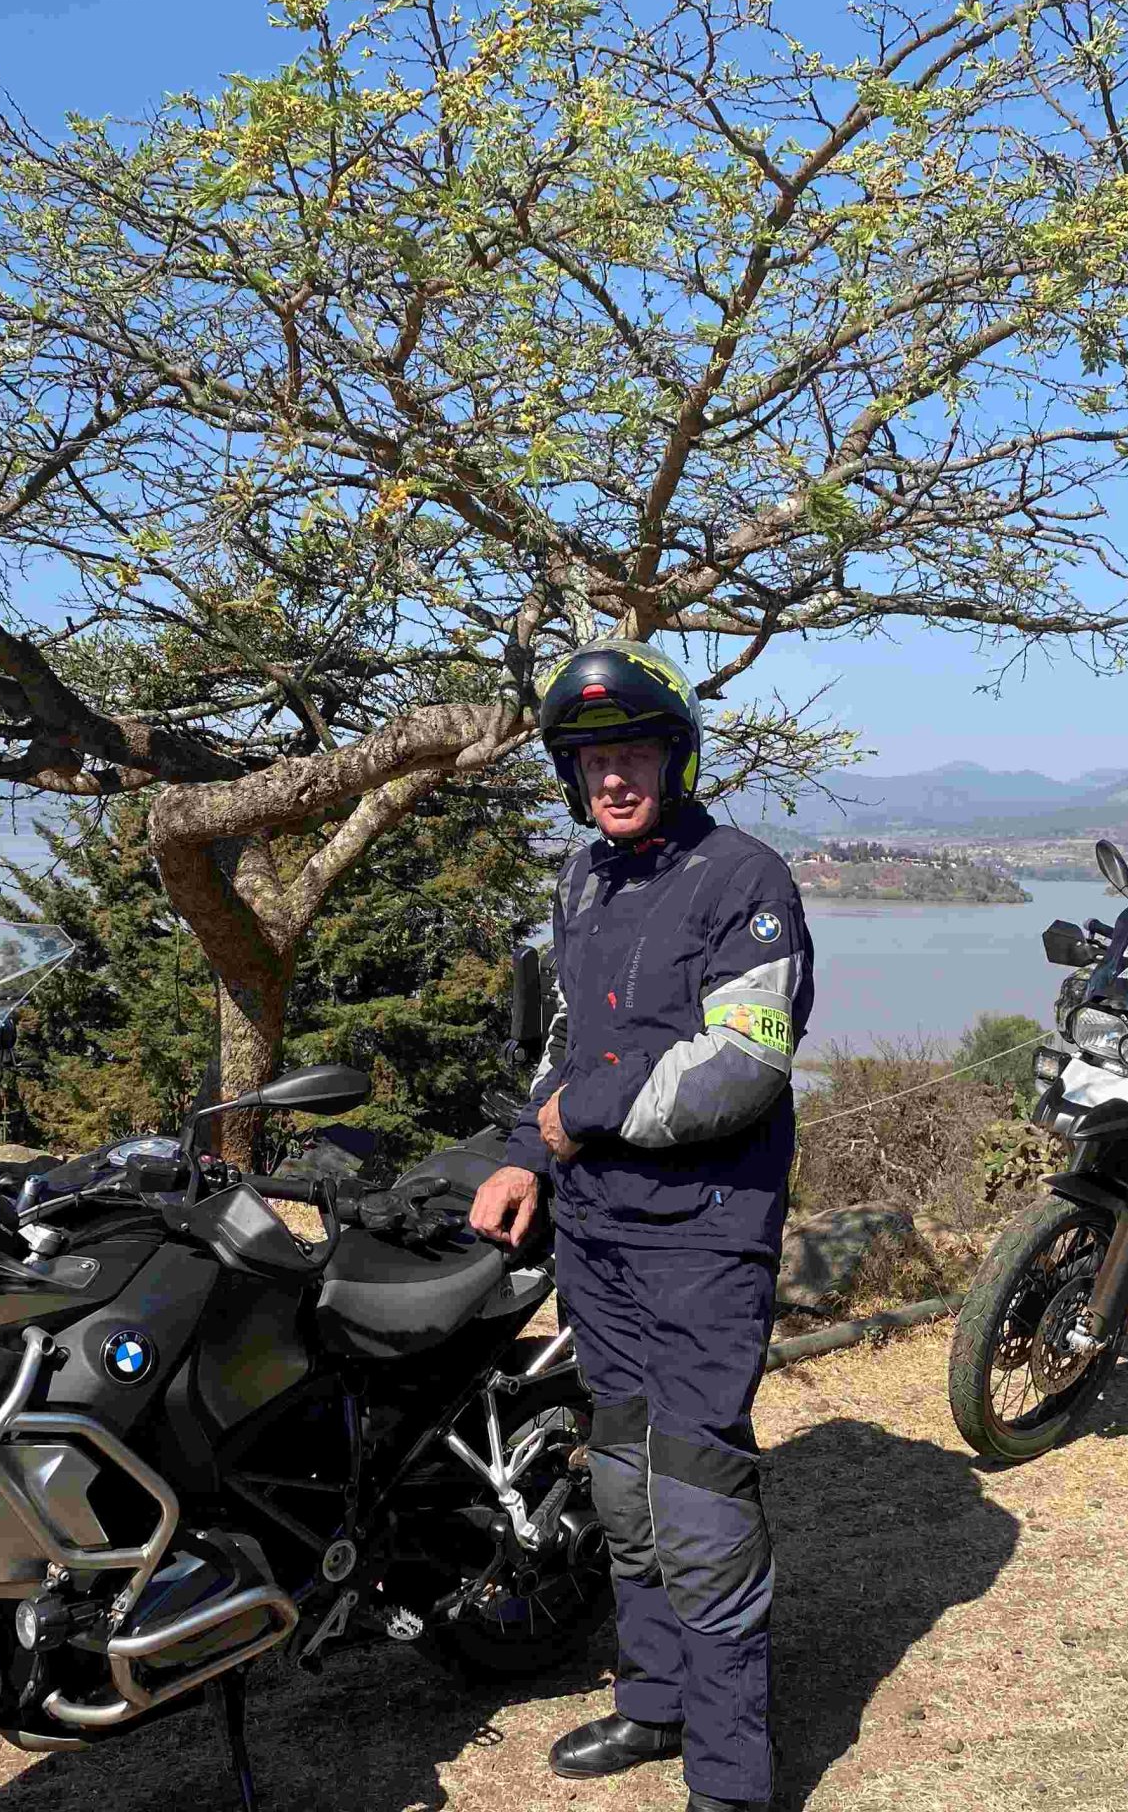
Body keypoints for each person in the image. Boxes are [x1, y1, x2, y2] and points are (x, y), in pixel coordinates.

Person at [469, 639, 814, 1812]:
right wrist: (528, 1156)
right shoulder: (583, 881)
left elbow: (739, 1068)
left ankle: (729, 1777)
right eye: (591, 760)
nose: (613, 777)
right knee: (621, 1481)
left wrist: (575, 1119)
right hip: (597, 1233)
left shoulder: (743, 878)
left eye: (633, 755)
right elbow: (568, 1043)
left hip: (703, 1236)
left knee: (699, 1501)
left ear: (676, 758)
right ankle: (654, 1701)